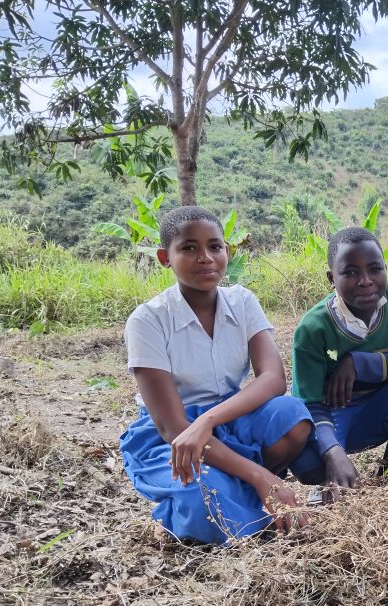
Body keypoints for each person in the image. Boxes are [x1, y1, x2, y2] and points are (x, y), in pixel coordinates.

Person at [120, 206, 313, 545]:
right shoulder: (147, 320)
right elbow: (172, 427)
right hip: (172, 438)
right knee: (204, 503)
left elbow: (273, 379)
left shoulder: (241, 302)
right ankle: (238, 488)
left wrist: (208, 420)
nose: (205, 257)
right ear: (165, 257)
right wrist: (259, 474)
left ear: (227, 250)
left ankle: (236, 485)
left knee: (293, 415)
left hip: (228, 417)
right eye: (189, 248)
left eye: (214, 246)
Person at [289, 226, 388, 495]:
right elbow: (309, 402)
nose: (366, 280)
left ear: (385, 269)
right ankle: (333, 463)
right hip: (334, 415)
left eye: (375, 269)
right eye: (350, 272)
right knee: (310, 467)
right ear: (331, 278)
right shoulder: (312, 328)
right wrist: (332, 451)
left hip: (379, 410)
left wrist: (358, 362)